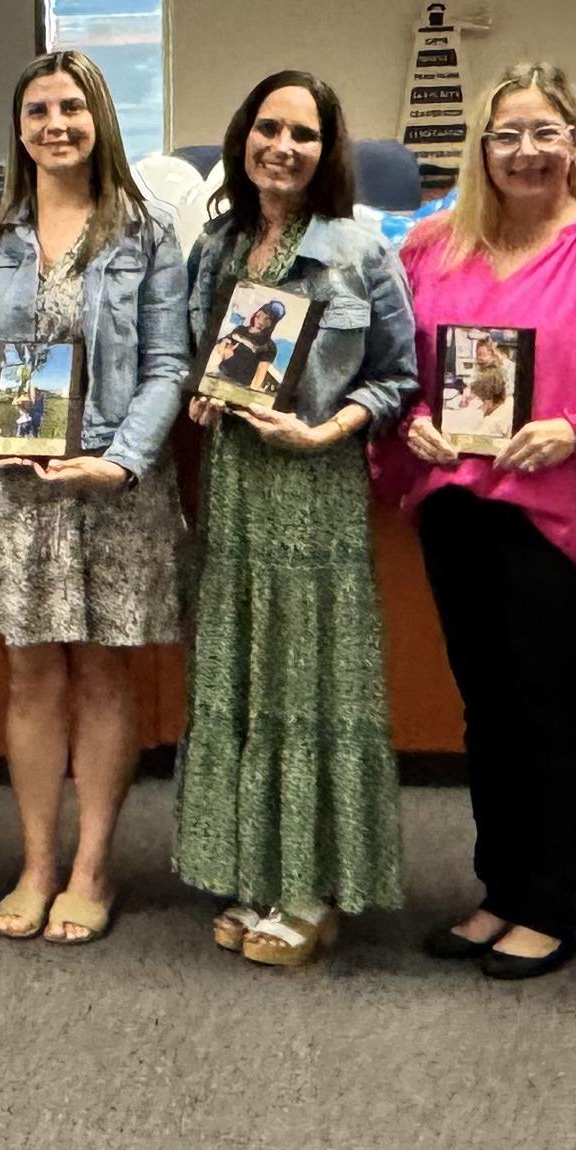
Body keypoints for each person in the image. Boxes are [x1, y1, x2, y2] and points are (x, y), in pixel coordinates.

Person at [374, 63, 576, 981]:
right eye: (507, 135)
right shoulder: (431, 248)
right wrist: (414, 418)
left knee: (554, 714)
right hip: (459, 512)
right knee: (488, 712)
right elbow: (396, 375)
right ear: (480, 149)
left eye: (546, 132)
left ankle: (550, 905)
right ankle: (499, 891)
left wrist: (575, 428)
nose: (526, 151)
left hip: (564, 514)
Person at [0, 50, 191, 946]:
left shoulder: (148, 233)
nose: (56, 125)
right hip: (14, 487)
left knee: (103, 671)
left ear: (101, 121)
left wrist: (122, 461)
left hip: (113, 483)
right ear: (19, 125)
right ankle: (38, 861)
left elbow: (170, 365)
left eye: (72, 110)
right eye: (39, 109)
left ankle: (93, 868)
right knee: (33, 672)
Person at [176, 68, 417, 969]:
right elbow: (210, 354)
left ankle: (313, 888)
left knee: (310, 680)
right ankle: (256, 869)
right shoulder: (219, 245)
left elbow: (400, 376)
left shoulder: (360, 249)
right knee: (244, 672)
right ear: (243, 137)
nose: (283, 147)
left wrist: (325, 429)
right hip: (236, 488)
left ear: (329, 152)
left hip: (313, 486)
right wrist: (206, 393)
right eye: (268, 129)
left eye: (304, 135)